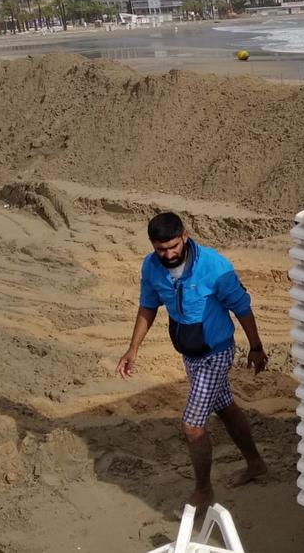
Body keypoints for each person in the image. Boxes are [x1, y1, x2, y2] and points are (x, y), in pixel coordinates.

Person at [116, 212, 269, 507]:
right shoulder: (151, 267)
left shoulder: (214, 267)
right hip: (190, 352)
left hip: (217, 352)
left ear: (184, 237)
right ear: (152, 245)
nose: (168, 254)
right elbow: (148, 306)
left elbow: (242, 307)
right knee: (225, 407)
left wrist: (256, 347)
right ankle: (256, 464)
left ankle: (203, 491)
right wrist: (132, 349)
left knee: (192, 425)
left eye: (173, 246)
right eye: (161, 249)